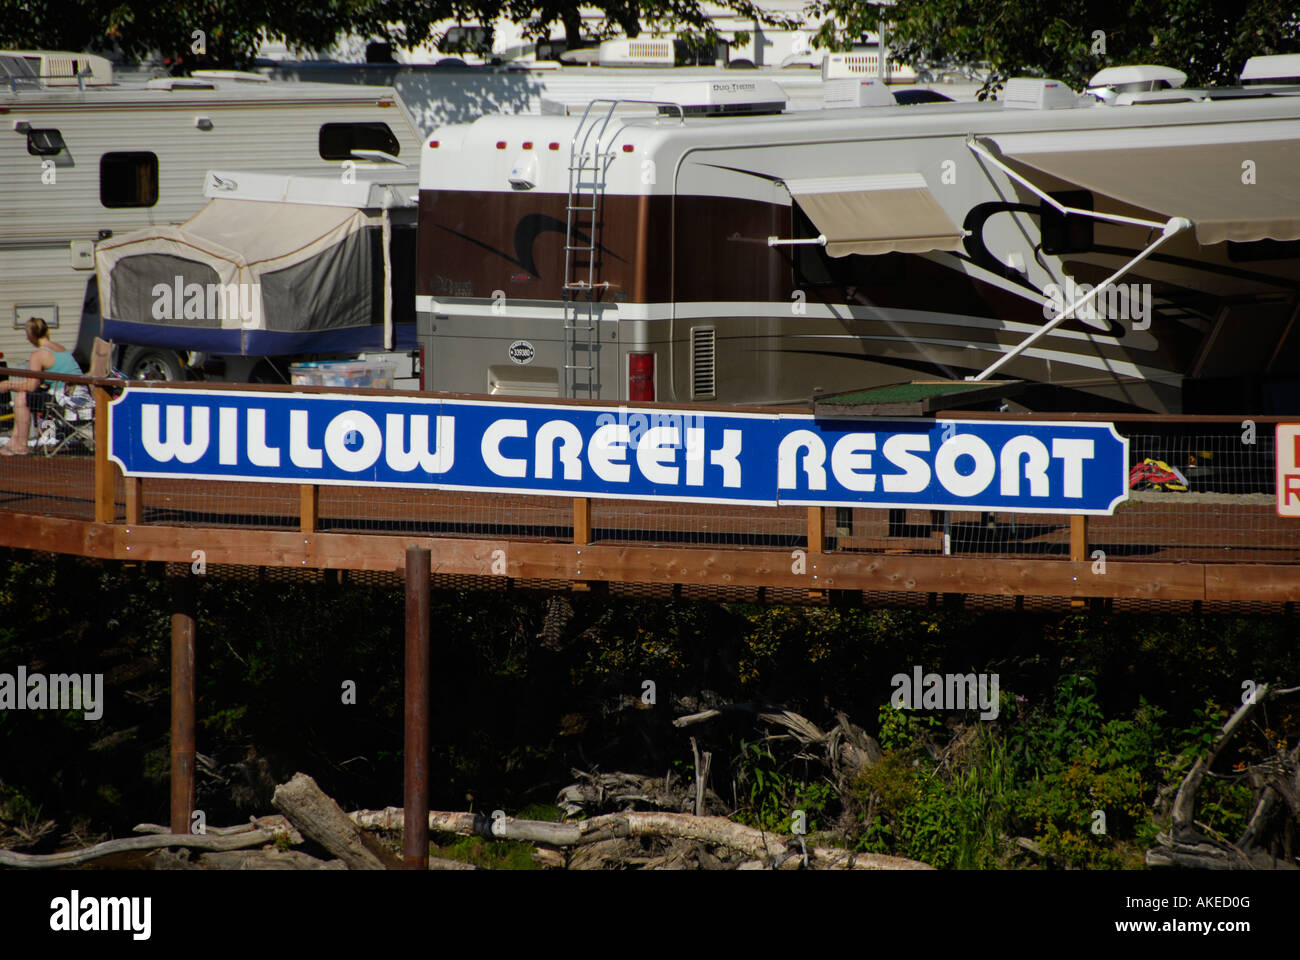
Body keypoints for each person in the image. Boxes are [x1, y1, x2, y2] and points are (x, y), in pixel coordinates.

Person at [0, 317, 83, 455]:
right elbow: (37, 382)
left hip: (67, 400)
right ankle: (14, 442)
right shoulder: (60, 348)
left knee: (22, 398)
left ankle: (20, 445)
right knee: (23, 396)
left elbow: (31, 385)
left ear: (30, 336)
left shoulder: (38, 355)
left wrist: (8, 385)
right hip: (79, 395)